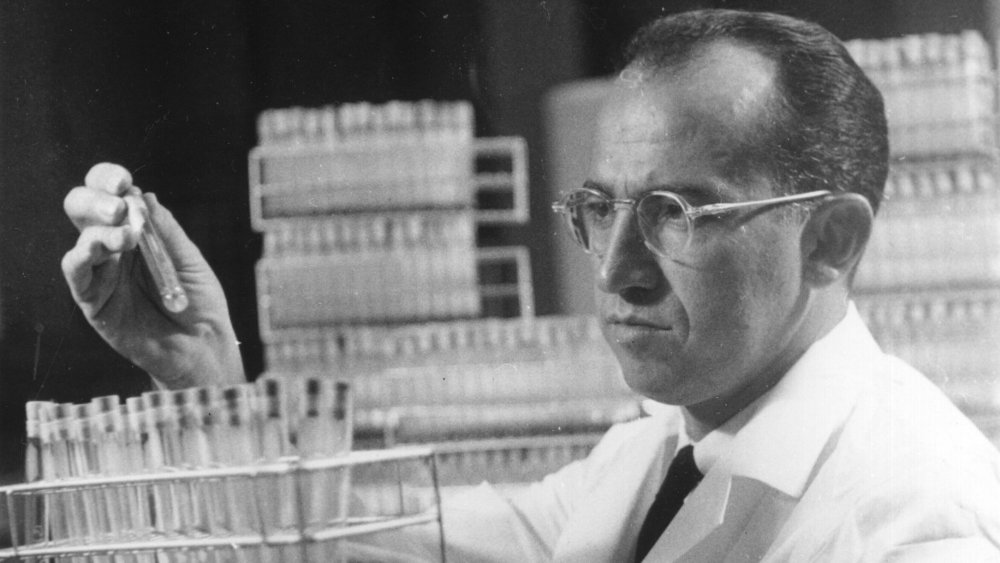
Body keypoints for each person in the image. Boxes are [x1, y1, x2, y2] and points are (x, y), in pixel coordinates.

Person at [62, 8, 1000, 562]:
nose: (620, 269)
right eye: (602, 208)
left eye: (677, 213)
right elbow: (390, 537)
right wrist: (208, 382)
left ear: (829, 240)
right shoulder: (658, 456)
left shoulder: (919, 516)